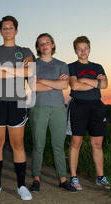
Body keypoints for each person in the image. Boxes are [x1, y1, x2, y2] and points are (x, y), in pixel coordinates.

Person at [0, 15, 35, 200]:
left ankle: (21, 186)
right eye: (4, 28)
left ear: (16, 30)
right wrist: (17, 70)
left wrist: (4, 70)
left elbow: (30, 71)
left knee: (18, 144)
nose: (7, 31)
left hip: (18, 101)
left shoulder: (25, 50)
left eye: (10, 27)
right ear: (0, 31)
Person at [28, 33, 77, 193]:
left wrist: (42, 81)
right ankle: (36, 178)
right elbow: (33, 86)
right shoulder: (32, 64)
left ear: (53, 45)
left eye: (47, 42)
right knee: (38, 145)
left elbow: (64, 85)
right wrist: (55, 83)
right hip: (38, 107)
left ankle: (63, 179)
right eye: (41, 44)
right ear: (38, 47)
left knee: (58, 145)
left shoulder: (62, 65)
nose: (44, 46)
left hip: (58, 109)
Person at [67, 36, 110, 191]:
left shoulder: (98, 67)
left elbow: (104, 85)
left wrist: (84, 79)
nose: (83, 51)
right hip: (78, 106)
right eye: (79, 48)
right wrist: (95, 83)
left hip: (96, 106)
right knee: (75, 143)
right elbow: (75, 86)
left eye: (85, 48)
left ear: (89, 49)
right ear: (75, 50)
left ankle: (100, 177)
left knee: (97, 144)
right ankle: (73, 177)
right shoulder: (71, 66)